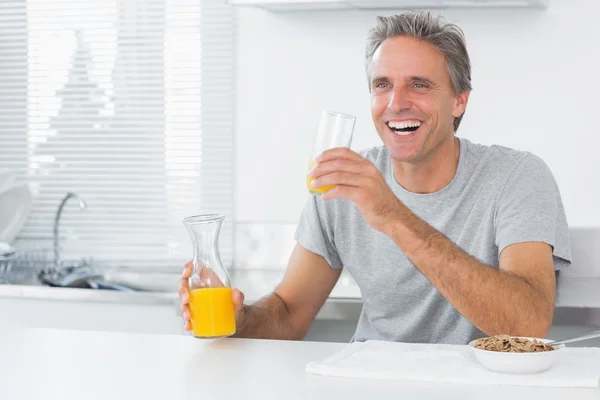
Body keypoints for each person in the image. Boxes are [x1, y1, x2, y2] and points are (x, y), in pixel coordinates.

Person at [178, 11, 571, 344]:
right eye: (382, 85)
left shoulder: (517, 177)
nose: (396, 104)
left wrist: (393, 215)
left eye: (419, 85)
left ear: (459, 99)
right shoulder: (343, 183)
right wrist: (240, 319)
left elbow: (528, 324)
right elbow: (290, 312)